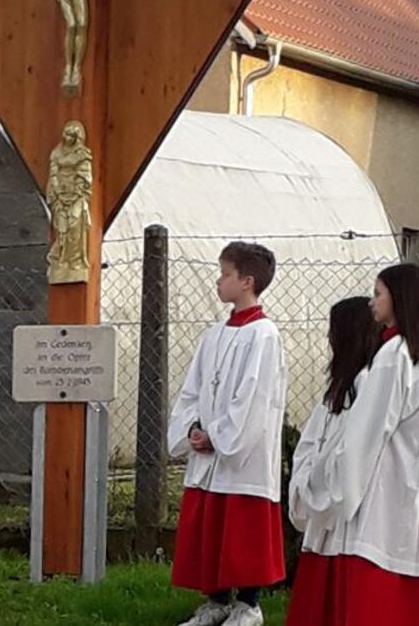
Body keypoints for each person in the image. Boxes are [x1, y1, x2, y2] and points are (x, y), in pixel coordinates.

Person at [285, 265, 419, 626]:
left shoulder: (392, 358)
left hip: (380, 495)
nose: (372, 302)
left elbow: (364, 437)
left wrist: (331, 489)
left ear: (399, 299)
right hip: (395, 488)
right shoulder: (403, 356)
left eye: (378, 293)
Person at [167, 242, 287, 626]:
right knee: (210, 526)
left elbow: (253, 398)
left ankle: (248, 605)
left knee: (241, 531)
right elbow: (193, 390)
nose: (218, 281)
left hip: (242, 455)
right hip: (209, 452)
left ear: (247, 281)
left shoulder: (264, 335)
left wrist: (218, 436)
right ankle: (216, 600)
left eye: (225, 274)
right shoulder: (213, 336)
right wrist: (192, 430)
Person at [286, 296, 377, 620]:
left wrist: (317, 482)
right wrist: (307, 479)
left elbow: (351, 451)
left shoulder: (368, 386)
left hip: (344, 515)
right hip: (322, 502)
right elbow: (313, 440)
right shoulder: (339, 388)